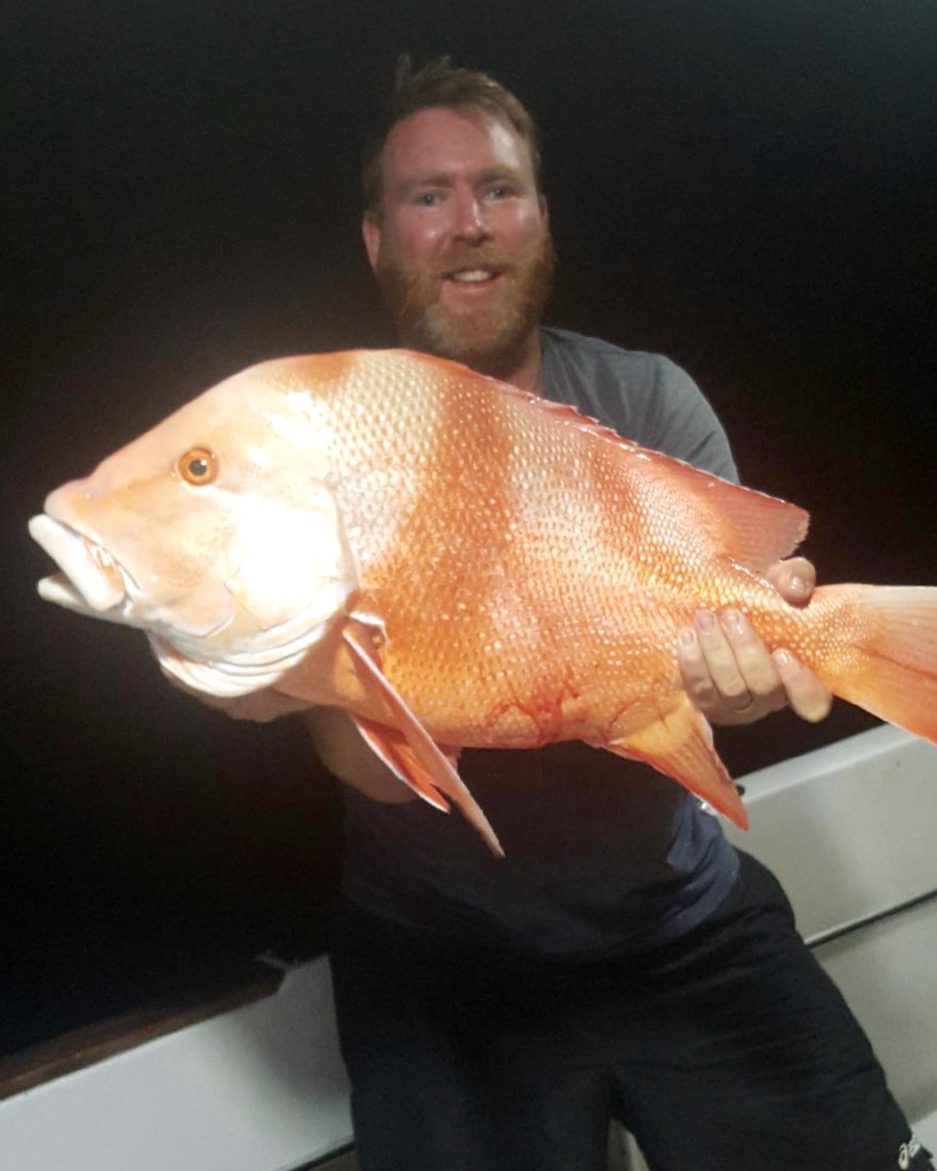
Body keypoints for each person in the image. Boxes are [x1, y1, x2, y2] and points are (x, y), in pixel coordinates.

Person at [265, 59, 934, 1171]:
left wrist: (744, 672)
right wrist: (271, 660)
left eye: (499, 189)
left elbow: (728, 649)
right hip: (443, 960)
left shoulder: (646, 399)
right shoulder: (329, 437)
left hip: (678, 922)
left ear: (542, 220)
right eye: (429, 196)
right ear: (378, 240)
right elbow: (368, 760)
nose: (468, 223)